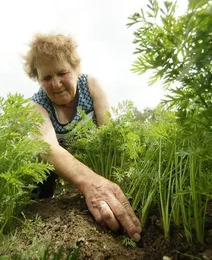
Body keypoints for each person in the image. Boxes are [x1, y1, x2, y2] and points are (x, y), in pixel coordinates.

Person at [23, 33, 142, 242]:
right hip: (59, 167)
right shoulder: (36, 106)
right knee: (37, 168)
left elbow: (109, 138)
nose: (57, 84)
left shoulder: (91, 86)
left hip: (91, 160)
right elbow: (48, 148)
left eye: (62, 73)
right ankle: (38, 211)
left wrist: (109, 181)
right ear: (38, 79)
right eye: (47, 78)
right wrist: (90, 183)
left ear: (76, 69)